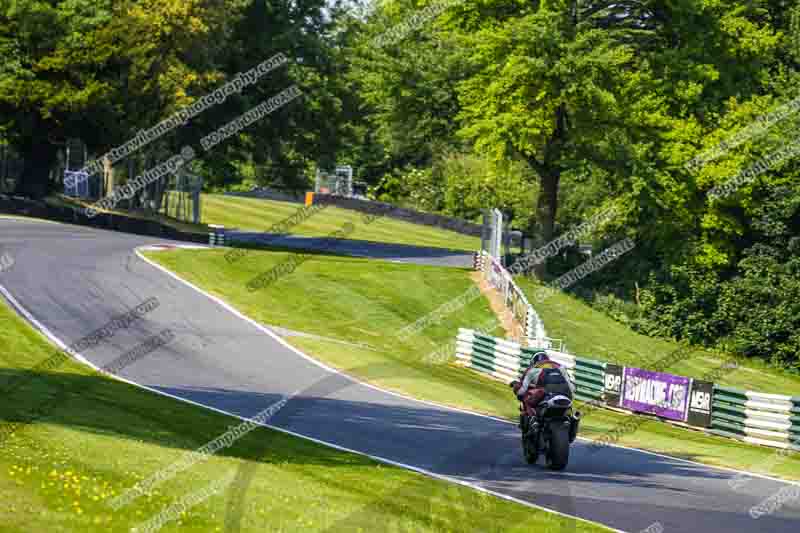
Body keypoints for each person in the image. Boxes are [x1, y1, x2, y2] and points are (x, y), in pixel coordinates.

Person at [510, 352, 575, 434]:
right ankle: (574, 420)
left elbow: (522, 390)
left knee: (527, 399)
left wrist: (516, 389)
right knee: (570, 410)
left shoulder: (532, 370)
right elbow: (571, 387)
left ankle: (533, 419)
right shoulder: (560, 367)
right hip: (565, 393)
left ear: (533, 362)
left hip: (546, 393)